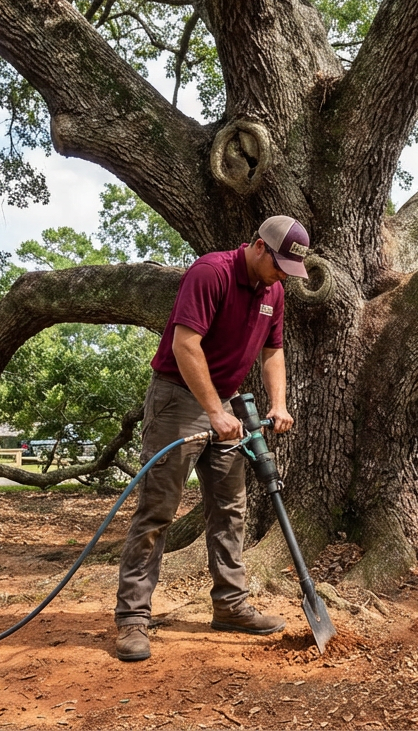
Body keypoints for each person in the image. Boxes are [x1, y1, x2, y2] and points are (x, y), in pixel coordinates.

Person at [114, 214, 311, 662]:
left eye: (289, 270)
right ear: (259, 246)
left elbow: (273, 351)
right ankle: (132, 619)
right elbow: (187, 345)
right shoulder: (211, 272)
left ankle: (231, 605)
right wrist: (212, 411)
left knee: (230, 508)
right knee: (157, 509)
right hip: (179, 399)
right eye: (279, 264)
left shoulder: (274, 291)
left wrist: (277, 404)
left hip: (227, 405)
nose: (282, 275)